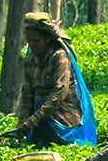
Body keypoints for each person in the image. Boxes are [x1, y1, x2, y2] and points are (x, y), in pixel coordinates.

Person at [15, 12, 97, 147]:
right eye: (29, 41)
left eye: (36, 41)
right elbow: (27, 94)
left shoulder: (60, 57)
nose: (32, 45)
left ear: (47, 39)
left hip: (63, 117)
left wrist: (34, 120)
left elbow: (60, 91)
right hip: (40, 120)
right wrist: (23, 121)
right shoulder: (29, 61)